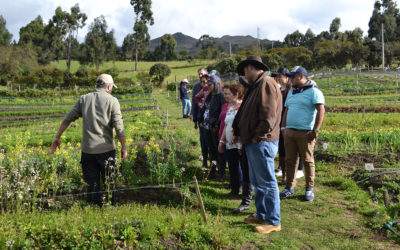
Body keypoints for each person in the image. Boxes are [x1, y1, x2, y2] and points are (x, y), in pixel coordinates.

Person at [51, 74, 127, 206]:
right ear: (109, 87)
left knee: (92, 185)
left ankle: (95, 208)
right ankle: (111, 207)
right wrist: (124, 147)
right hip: (106, 151)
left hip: (87, 151)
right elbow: (119, 126)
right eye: (112, 88)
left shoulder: (84, 99)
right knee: (110, 183)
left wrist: (57, 137)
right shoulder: (112, 101)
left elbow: (68, 118)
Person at [232, 55, 282, 234]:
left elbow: (268, 116)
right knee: (258, 182)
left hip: (262, 142)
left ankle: (273, 221)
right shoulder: (257, 85)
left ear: (252, 68)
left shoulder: (266, 83)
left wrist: (257, 137)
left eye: (245, 71)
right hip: (254, 142)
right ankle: (262, 214)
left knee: (267, 182)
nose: (244, 75)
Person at [280, 66, 325, 201]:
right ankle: (289, 187)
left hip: (306, 132)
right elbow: (287, 109)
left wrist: (315, 130)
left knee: (307, 160)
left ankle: (309, 188)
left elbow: (321, 111)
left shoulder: (314, 91)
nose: (290, 79)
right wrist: (283, 128)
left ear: (300, 76)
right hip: (290, 131)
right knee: (290, 160)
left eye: (292, 77)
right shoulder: (292, 91)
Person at [272, 67, 304, 183]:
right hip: (279, 121)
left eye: (281, 76)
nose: (279, 79)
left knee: (290, 149)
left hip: (289, 121)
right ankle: (284, 173)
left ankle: (294, 172)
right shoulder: (279, 89)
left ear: (287, 77)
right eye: (278, 77)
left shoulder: (291, 90)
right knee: (281, 148)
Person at [218, 84, 243, 196]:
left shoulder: (242, 107)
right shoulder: (231, 107)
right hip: (229, 143)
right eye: (224, 94)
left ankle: (243, 188)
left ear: (236, 94)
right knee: (232, 167)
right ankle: (234, 189)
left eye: (228, 94)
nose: (225, 96)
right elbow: (226, 125)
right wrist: (222, 141)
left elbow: (244, 124)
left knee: (241, 167)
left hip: (240, 143)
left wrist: (238, 135)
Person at [203, 74, 226, 180]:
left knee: (219, 150)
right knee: (211, 150)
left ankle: (221, 172)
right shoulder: (209, 95)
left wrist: (216, 124)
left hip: (215, 127)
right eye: (208, 84)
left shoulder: (220, 96)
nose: (208, 86)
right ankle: (212, 171)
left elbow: (223, 111)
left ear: (216, 84)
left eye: (210, 84)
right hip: (207, 127)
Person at [191, 68, 209, 168]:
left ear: (207, 74)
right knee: (203, 140)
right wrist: (194, 118)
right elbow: (194, 101)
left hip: (210, 118)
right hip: (200, 118)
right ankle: (205, 160)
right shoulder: (197, 86)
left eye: (202, 74)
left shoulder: (213, 86)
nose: (200, 75)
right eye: (199, 74)